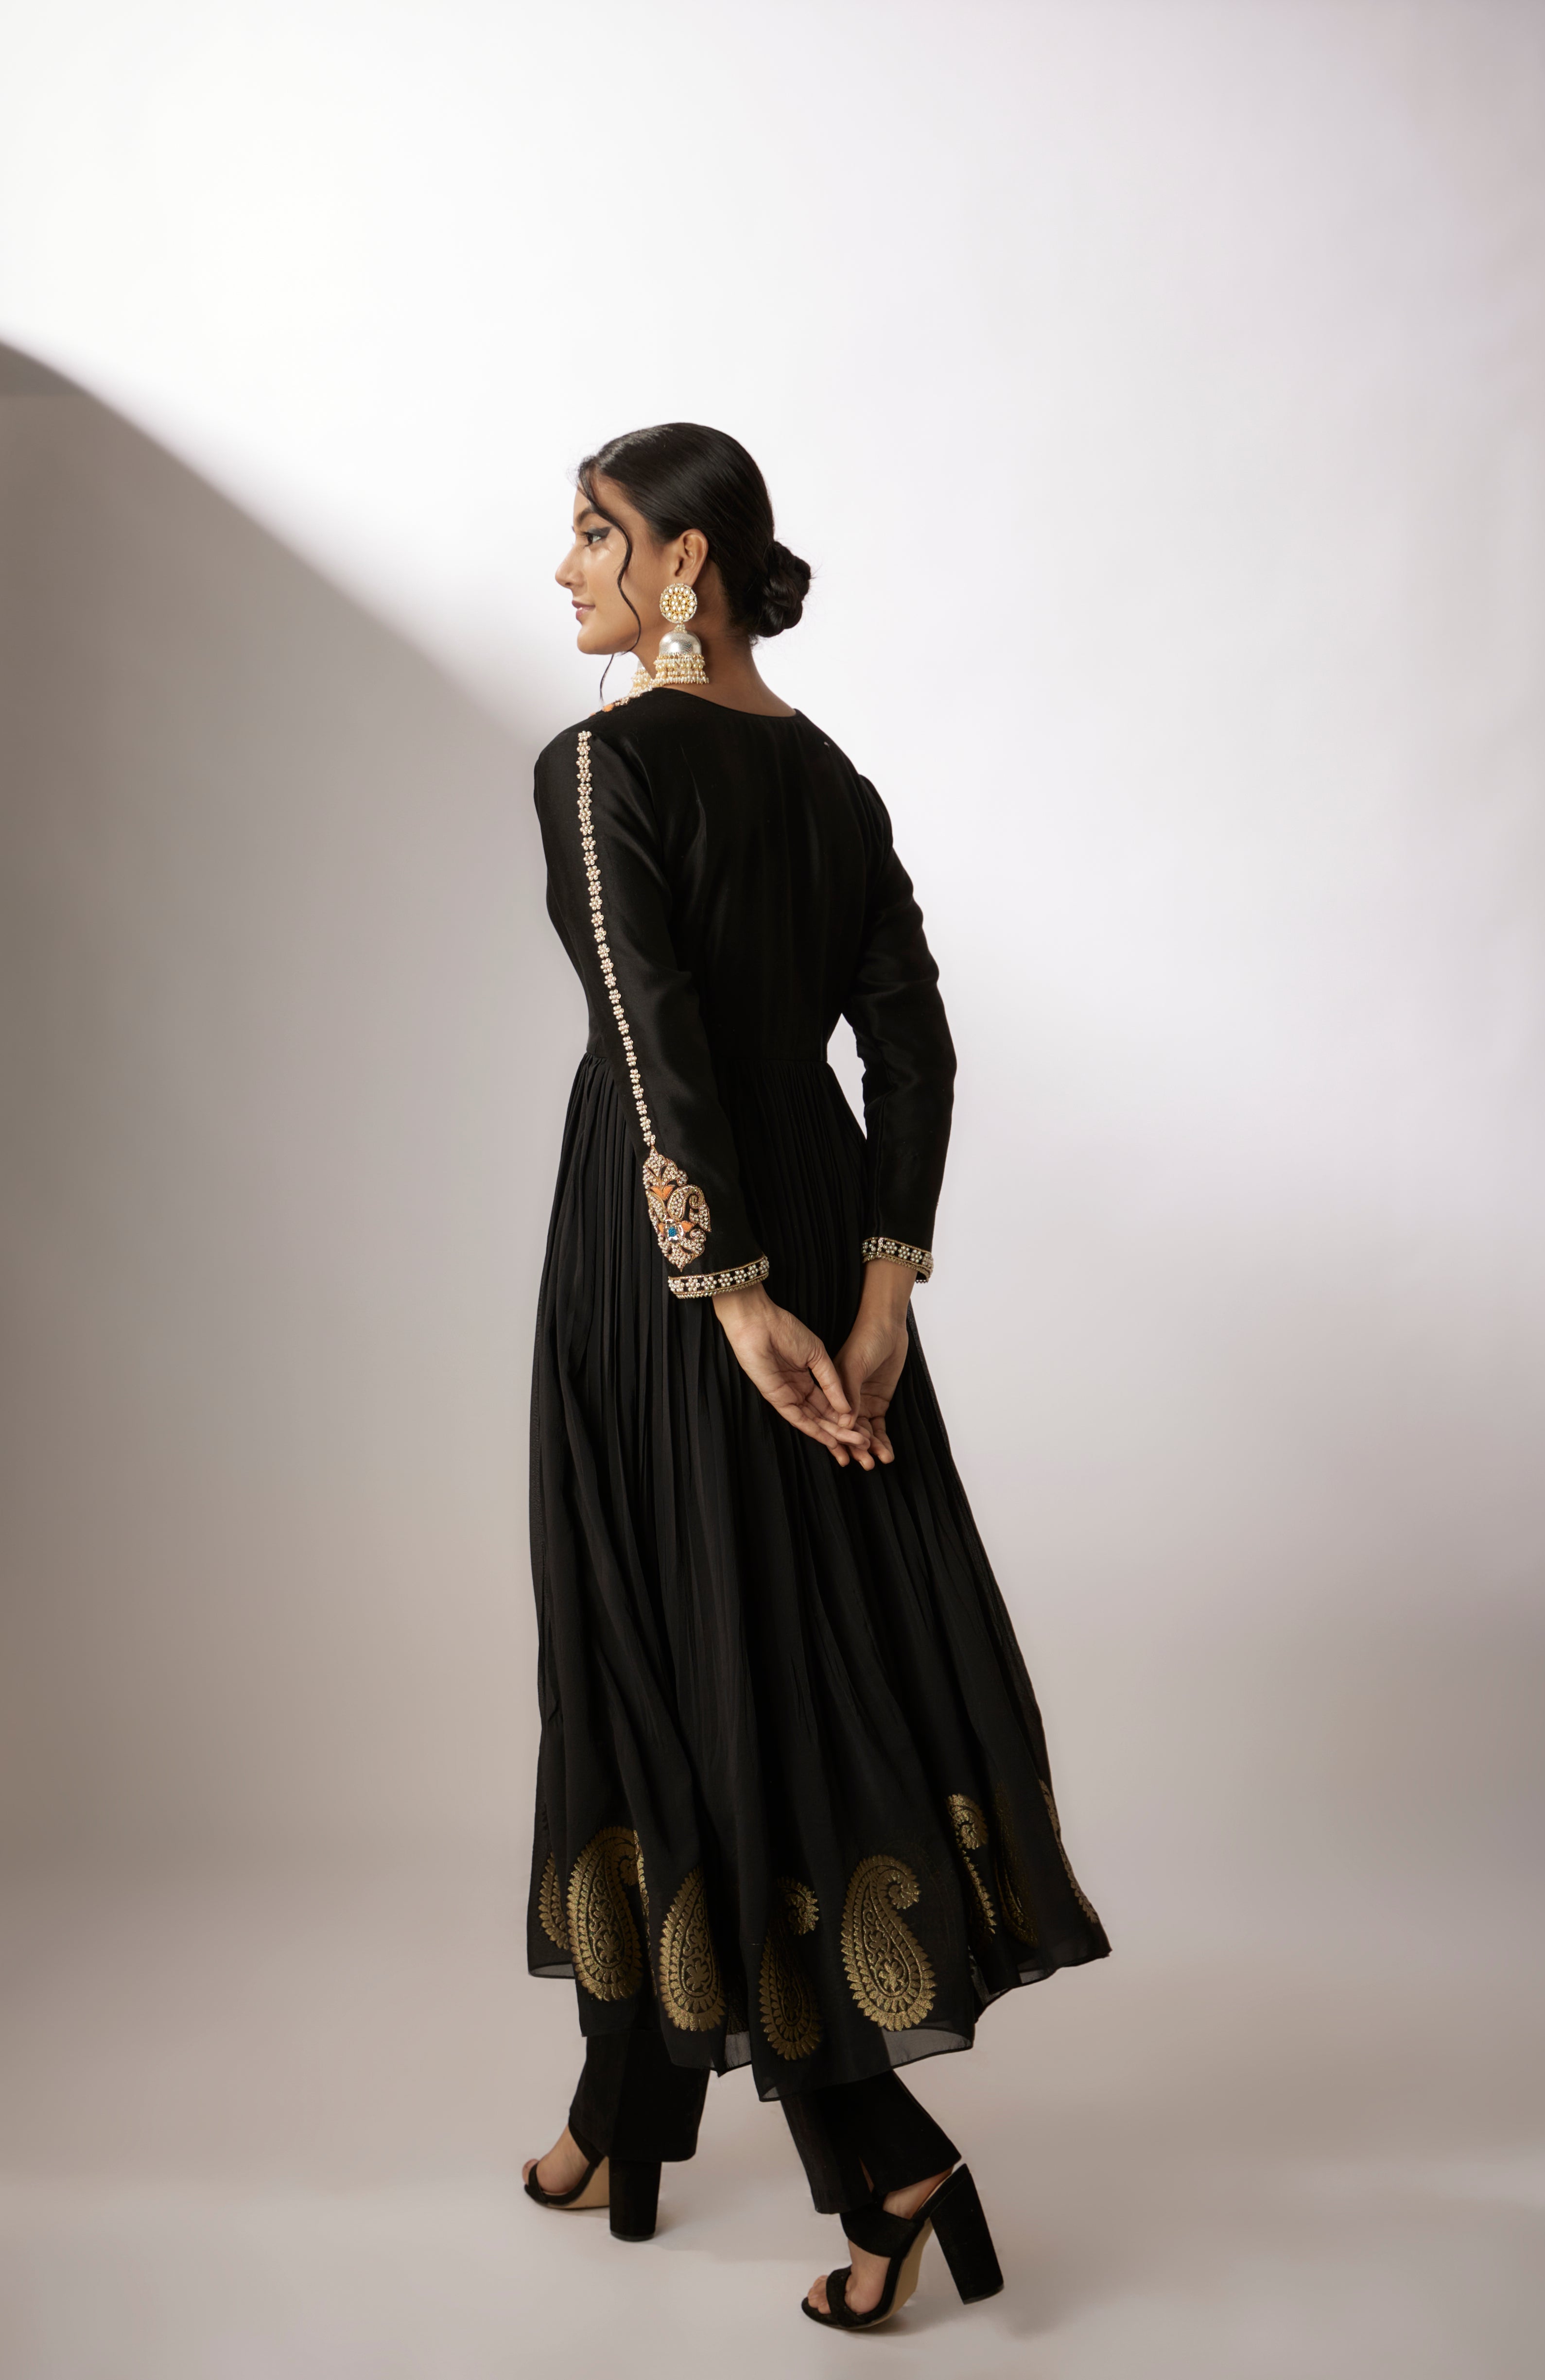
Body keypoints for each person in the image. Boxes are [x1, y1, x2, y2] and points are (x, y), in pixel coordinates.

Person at [519, 423, 1108, 2330]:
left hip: (664, 1266)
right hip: (821, 1248)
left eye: (593, 535)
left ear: (681, 563)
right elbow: (913, 1048)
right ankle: (622, 2111)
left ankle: (884, 2160)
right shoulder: (830, 777)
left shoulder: (602, 763)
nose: (567, 571)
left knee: (683, 1668)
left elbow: (648, 1035)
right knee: (738, 1651)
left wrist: (722, 1294)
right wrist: (878, 1288)